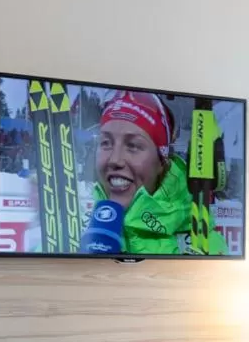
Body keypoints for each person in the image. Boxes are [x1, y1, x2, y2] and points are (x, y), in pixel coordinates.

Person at [94, 91, 227, 255]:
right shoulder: (73, 226)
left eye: (133, 145)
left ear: (162, 161)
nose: (115, 160)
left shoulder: (204, 244)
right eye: (106, 142)